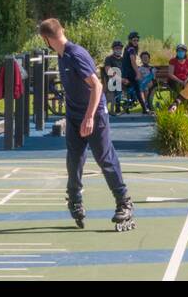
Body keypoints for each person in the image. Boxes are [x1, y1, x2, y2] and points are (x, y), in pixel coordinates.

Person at [38, 18, 135, 230]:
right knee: (74, 159)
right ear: (61, 31)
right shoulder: (62, 54)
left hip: (94, 115)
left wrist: (90, 116)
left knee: (104, 157)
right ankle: (74, 198)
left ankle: (124, 202)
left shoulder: (75, 55)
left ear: (46, 39)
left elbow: (97, 86)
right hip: (74, 116)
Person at [121, 32, 149, 113]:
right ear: (130, 40)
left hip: (125, 72)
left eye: (137, 40)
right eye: (134, 40)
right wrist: (138, 73)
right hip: (130, 72)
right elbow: (133, 61)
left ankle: (127, 107)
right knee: (138, 89)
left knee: (129, 89)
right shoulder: (131, 49)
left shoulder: (128, 48)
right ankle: (144, 109)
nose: (136, 42)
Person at [102, 40, 124, 110]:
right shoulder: (109, 59)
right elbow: (108, 70)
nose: (118, 50)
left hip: (122, 80)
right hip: (112, 79)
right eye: (116, 48)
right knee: (116, 83)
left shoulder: (123, 59)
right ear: (113, 49)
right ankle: (117, 106)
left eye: (120, 48)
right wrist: (120, 79)